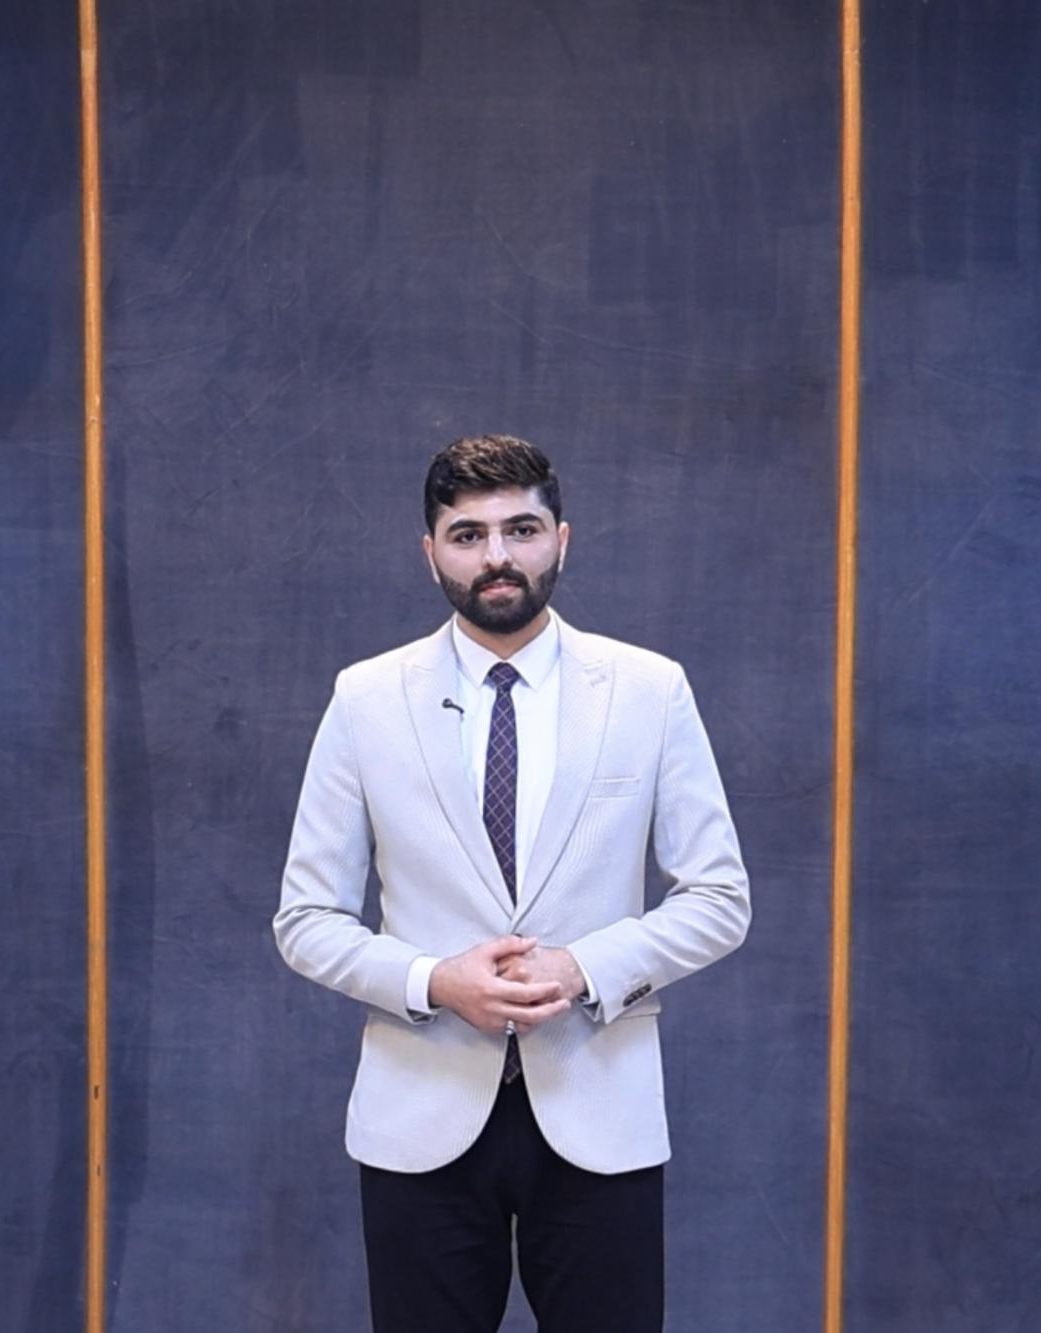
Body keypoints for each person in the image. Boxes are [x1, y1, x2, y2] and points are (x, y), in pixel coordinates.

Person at [273, 434, 751, 1332]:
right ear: (431, 553)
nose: (497, 555)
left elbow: (719, 898)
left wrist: (582, 967)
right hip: (419, 1118)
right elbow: (306, 918)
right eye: (468, 534)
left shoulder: (649, 690)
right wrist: (433, 980)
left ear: (561, 539)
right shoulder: (365, 698)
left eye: (520, 529)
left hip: (599, 1108)